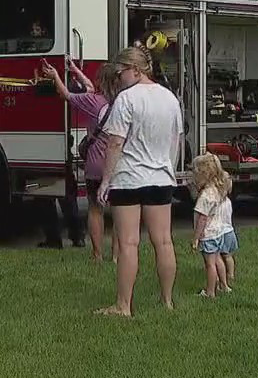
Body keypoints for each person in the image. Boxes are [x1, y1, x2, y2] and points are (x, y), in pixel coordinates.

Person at [95, 47, 183, 317]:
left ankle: (123, 306)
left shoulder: (126, 99)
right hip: (160, 178)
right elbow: (175, 139)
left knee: (129, 243)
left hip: (128, 179)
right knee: (164, 242)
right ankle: (167, 301)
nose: (119, 78)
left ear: (135, 69)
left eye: (120, 72)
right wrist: (168, 168)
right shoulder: (169, 98)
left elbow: (115, 142)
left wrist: (105, 180)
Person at [39, 58, 120, 261]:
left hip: (96, 163)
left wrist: (56, 76)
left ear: (101, 80)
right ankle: (118, 255)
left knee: (95, 209)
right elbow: (90, 87)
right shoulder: (121, 103)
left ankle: (97, 254)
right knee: (119, 212)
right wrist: (75, 70)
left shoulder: (94, 102)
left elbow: (66, 95)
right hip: (119, 164)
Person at [190, 153, 238, 298]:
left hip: (208, 234)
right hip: (218, 232)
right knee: (218, 259)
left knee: (210, 264)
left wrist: (196, 238)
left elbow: (202, 219)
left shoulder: (205, 196)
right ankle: (224, 285)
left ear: (203, 174)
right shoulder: (217, 189)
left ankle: (210, 292)